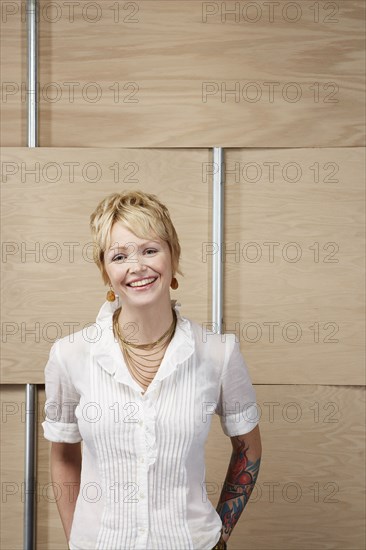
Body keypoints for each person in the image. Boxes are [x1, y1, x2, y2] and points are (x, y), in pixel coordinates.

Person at [42, 190, 262, 550]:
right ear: (106, 271)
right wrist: (77, 540)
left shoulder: (219, 353)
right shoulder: (70, 355)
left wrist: (217, 535)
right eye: (119, 255)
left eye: (150, 250)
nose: (137, 266)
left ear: (172, 258)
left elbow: (249, 448)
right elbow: (64, 455)